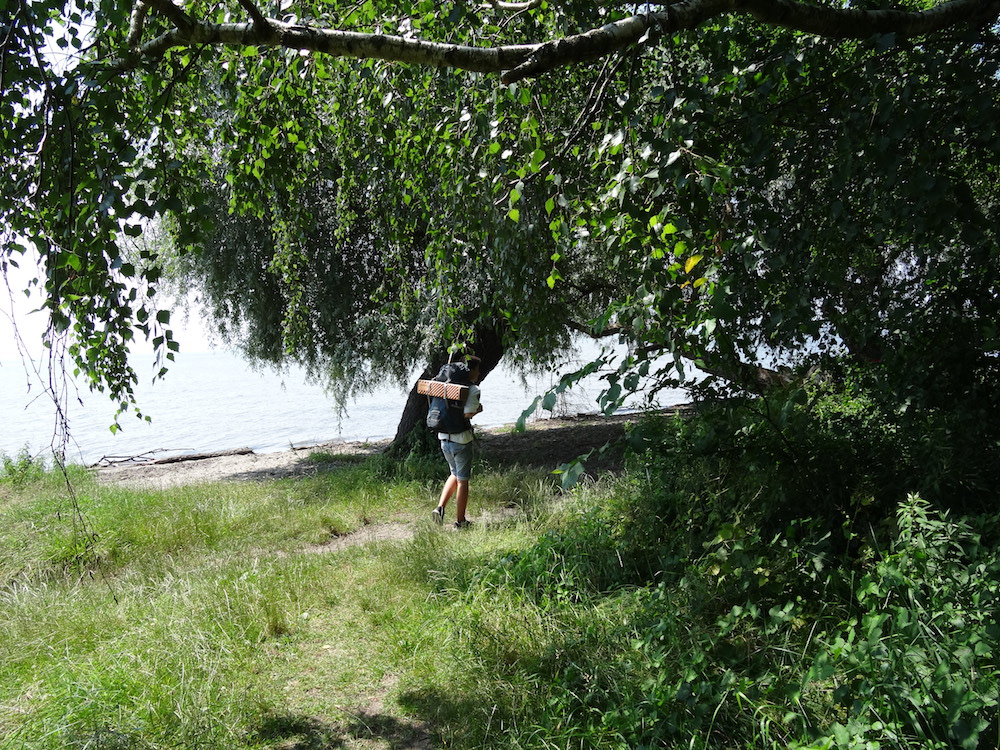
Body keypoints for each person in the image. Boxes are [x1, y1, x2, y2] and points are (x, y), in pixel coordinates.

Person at [432, 355, 483, 529]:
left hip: (443, 438)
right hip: (461, 440)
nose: (479, 373)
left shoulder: (445, 387)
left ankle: (440, 508)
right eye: (477, 370)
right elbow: (467, 413)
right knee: (463, 480)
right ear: (471, 371)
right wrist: (478, 410)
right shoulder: (472, 389)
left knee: (454, 473)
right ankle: (460, 521)